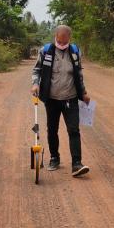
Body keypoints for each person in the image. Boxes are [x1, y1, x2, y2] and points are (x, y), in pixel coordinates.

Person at [31, 25, 91, 177]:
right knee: (52, 130)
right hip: (51, 99)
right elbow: (37, 70)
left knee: (74, 130)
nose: (62, 44)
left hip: (70, 98)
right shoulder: (46, 51)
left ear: (69, 39)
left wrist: (83, 92)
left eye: (65, 42)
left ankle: (77, 164)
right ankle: (54, 158)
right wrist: (35, 83)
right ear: (55, 37)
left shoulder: (75, 52)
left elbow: (79, 74)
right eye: (59, 41)